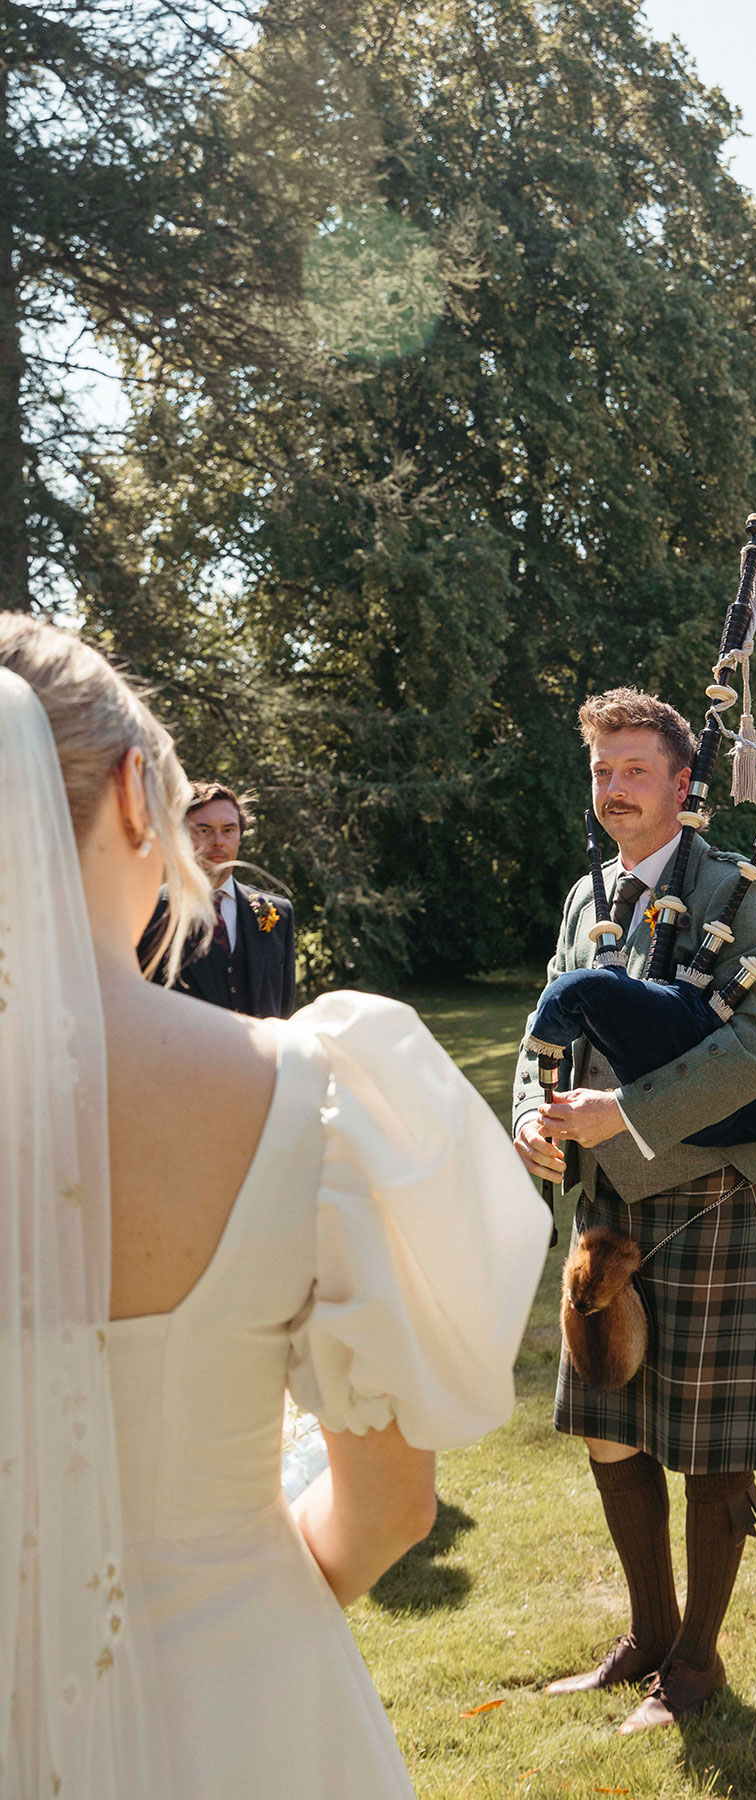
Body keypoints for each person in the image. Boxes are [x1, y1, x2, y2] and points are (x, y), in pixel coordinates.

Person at [0, 613, 550, 1800]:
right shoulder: (304, 1091)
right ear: (136, 796)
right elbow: (391, 1511)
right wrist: (229, 1590)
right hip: (239, 1706)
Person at [512, 687, 756, 1732]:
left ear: (684, 783)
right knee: (610, 1425)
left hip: (704, 1195)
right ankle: (648, 1634)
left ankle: (695, 1665)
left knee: (711, 1442)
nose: (614, 788)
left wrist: (628, 1113)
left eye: (635, 770)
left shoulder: (736, 890)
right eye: (602, 770)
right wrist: (530, 1115)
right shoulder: (585, 894)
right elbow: (544, 1027)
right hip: (604, 1207)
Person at [139, 781, 296, 1017]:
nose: (218, 841)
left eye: (228, 830)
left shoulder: (279, 914)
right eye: (204, 830)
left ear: (240, 834)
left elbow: (282, 1009)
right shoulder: (149, 911)